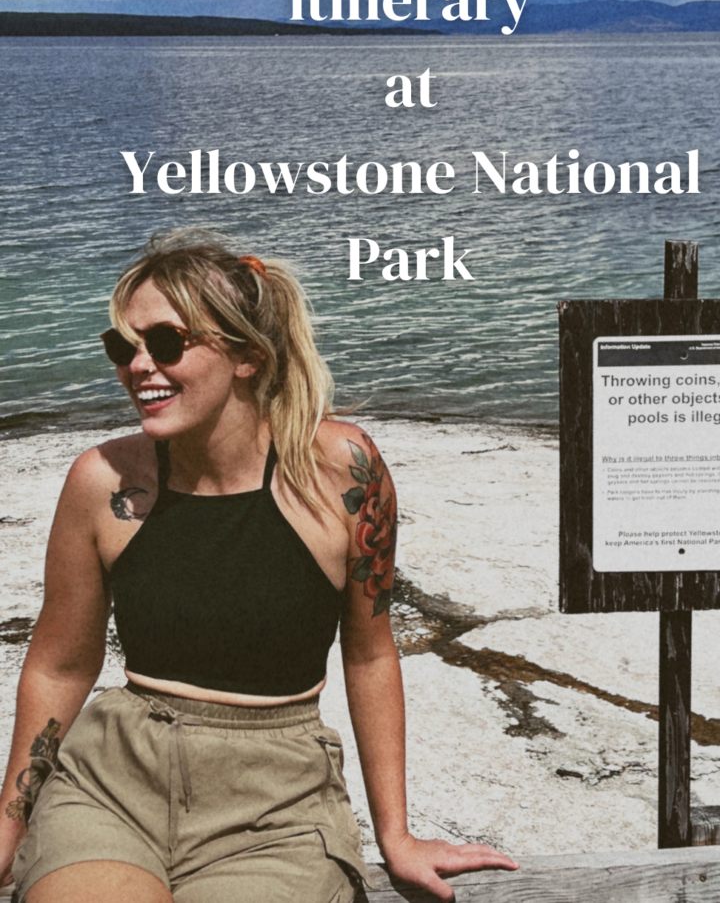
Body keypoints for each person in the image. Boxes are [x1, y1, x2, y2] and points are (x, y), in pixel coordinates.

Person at [0, 230, 517, 903]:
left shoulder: (343, 473)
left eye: (166, 343)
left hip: (276, 805)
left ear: (246, 356)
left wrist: (396, 834)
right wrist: (7, 833)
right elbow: (59, 666)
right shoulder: (101, 482)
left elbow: (369, 655)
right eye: (122, 348)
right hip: (112, 786)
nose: (138, 367)